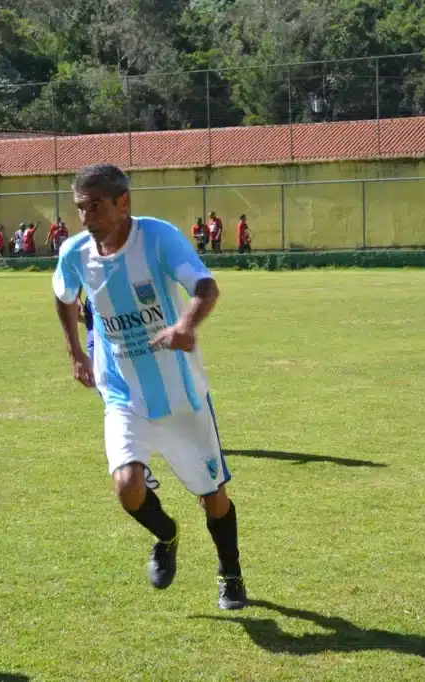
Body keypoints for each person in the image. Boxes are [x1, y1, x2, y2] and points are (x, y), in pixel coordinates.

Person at [51, 164, 247, 610]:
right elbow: (64, 297)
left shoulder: (158, 237)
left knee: (212, 496)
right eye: (81, 207)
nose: (87, 216)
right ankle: (166, 535)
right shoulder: (75, 252)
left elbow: (205, 286)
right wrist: (76, 354)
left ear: (124, 202)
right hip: (122, 394)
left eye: (96, 206)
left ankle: (230, 573)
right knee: (127, 486)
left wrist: (185, 323)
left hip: (182, 396)